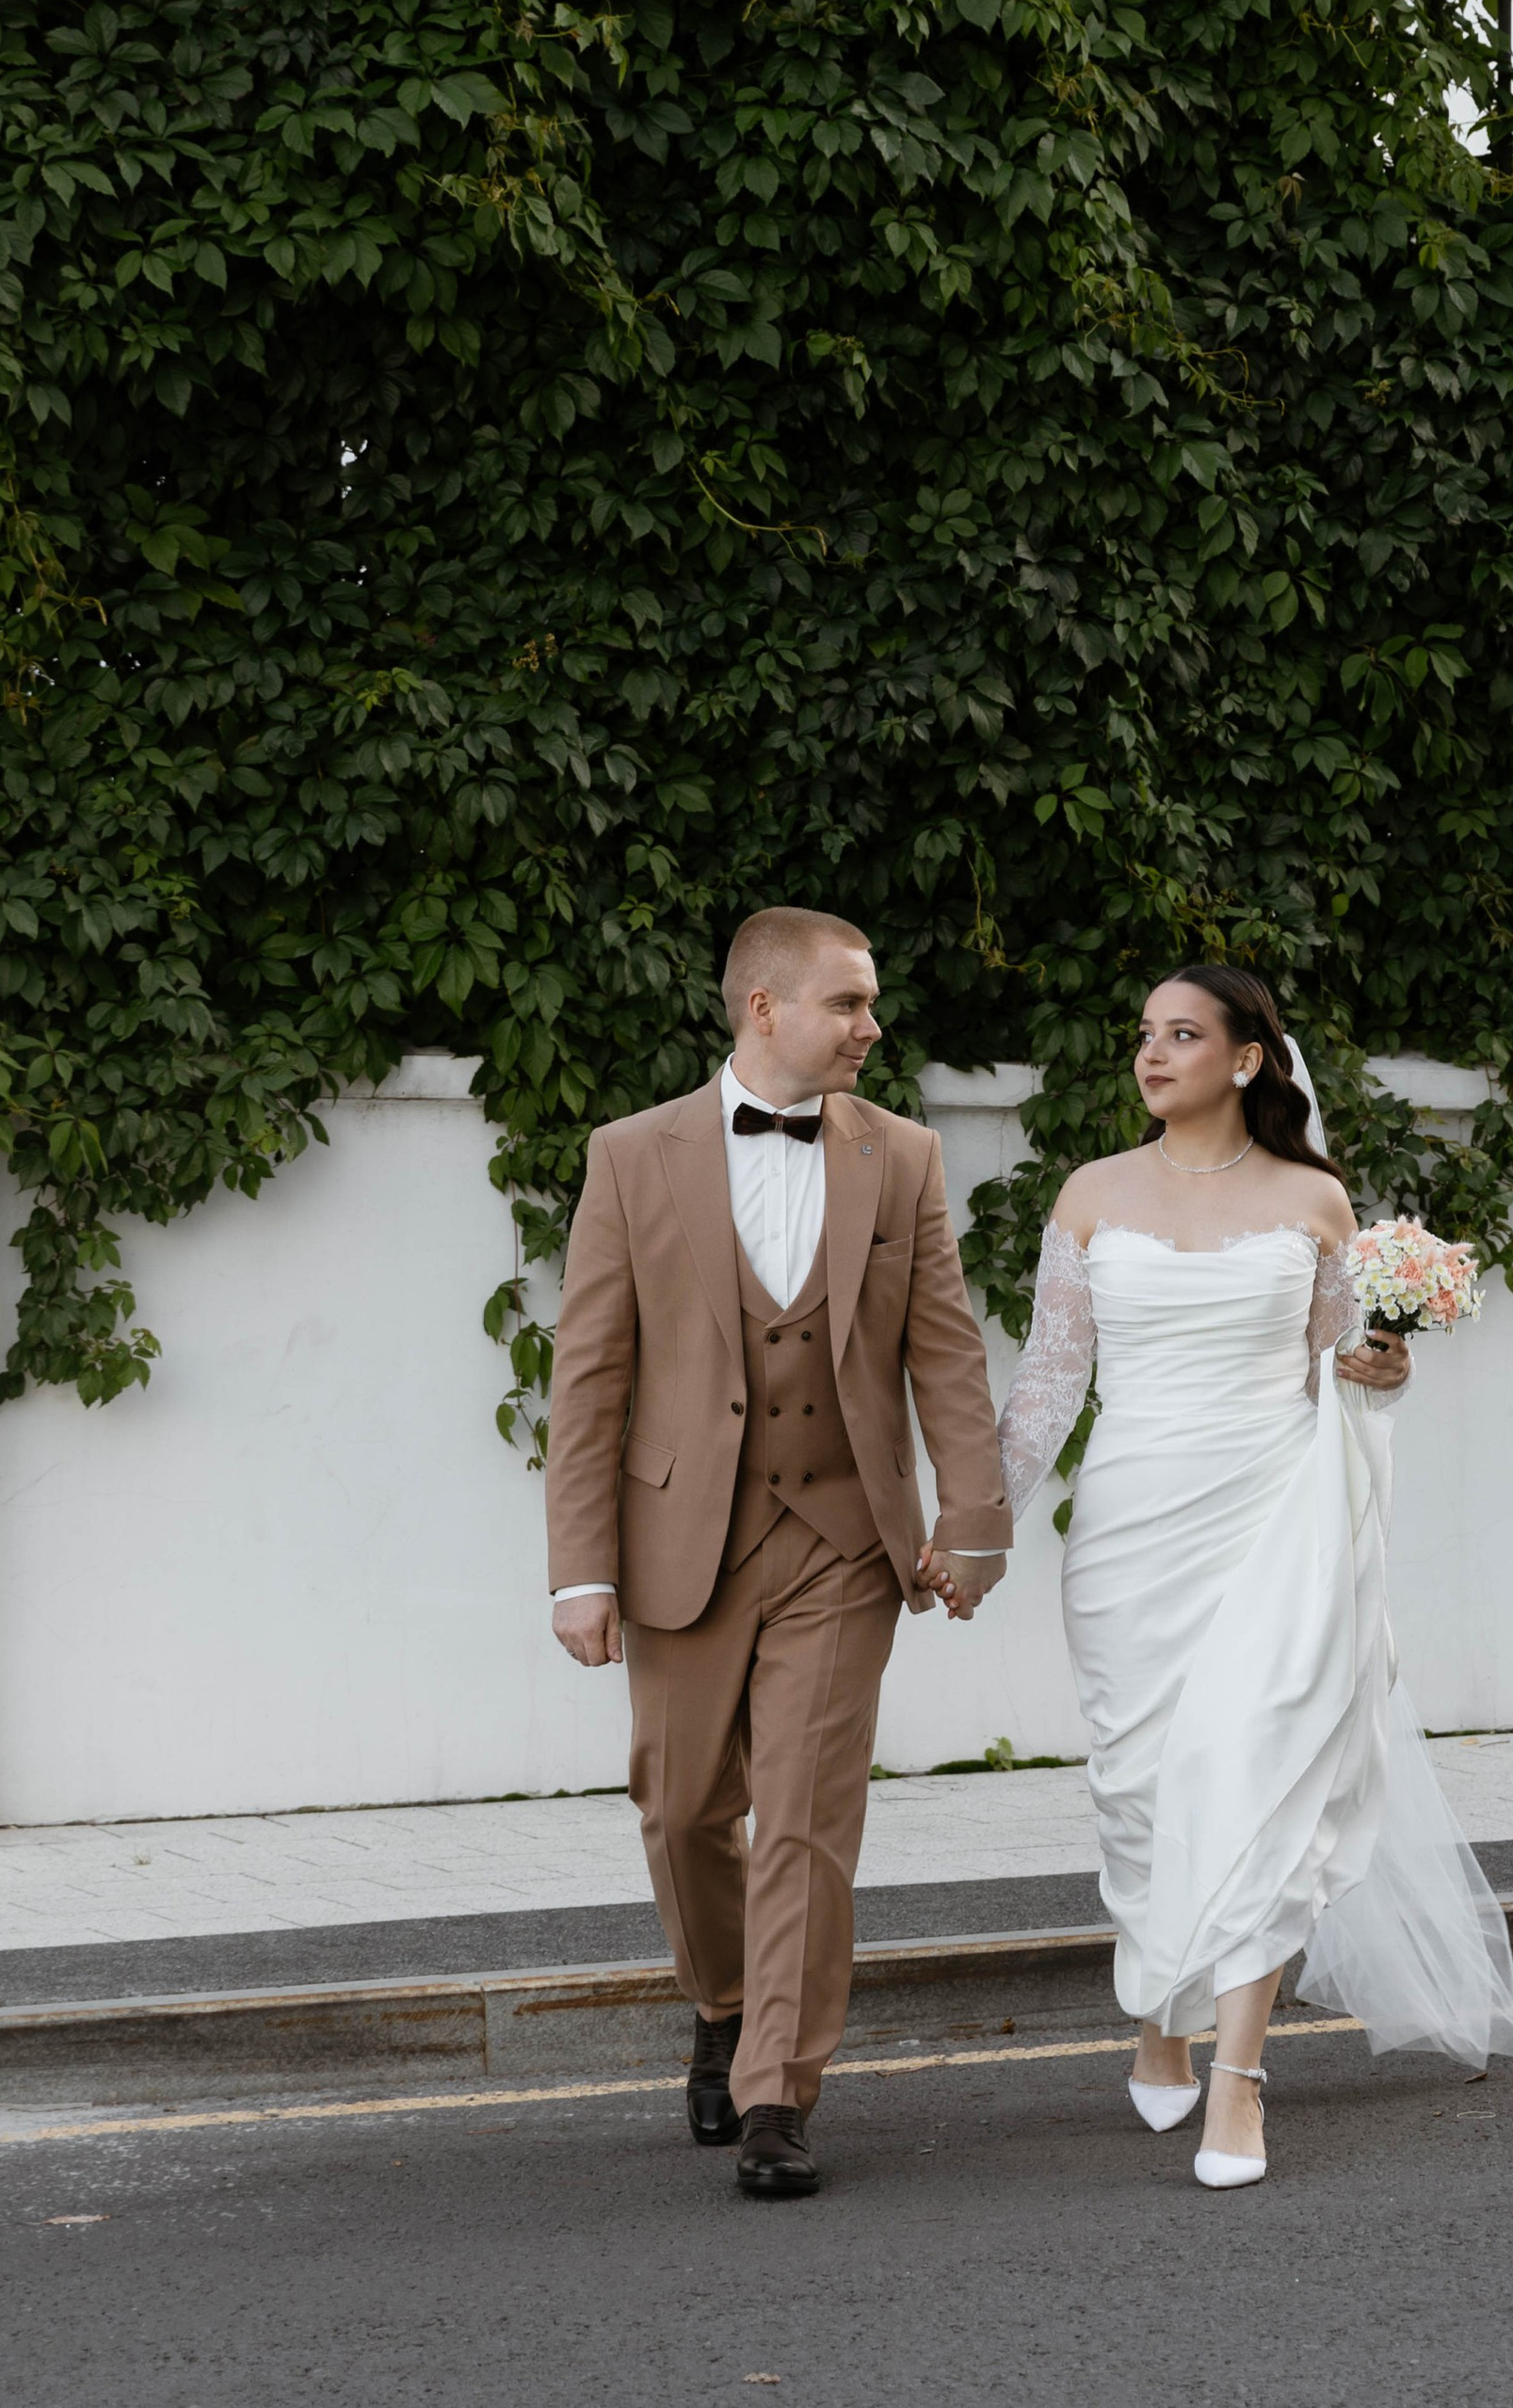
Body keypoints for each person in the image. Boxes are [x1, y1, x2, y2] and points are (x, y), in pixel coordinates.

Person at [934, 963, 1513, 2190]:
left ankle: (1240, 2079)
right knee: (1149, 1799)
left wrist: (1387, 1372)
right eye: (1146, 1031)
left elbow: (1341, 1357)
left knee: (1262, 1775)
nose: (1154, 1052)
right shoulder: (1092, 1194)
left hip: (1275, 1524)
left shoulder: (1315, 1198)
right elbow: (1048, 1379)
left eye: (1185, 1032)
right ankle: (1162, 2014)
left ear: (1248, 1056)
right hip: (1132, 1538)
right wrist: (976, 1525)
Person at [544, 907, 1011, 2203]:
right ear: (764, 1007)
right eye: (850, 1003)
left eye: (871, 1003)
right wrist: (578, 1566)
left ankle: (776, 2090)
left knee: (807, 1817)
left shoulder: (902, 1157)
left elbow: (946, 1354)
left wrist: (972, 1521)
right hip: (685, 1537)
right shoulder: (633, 1155)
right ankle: (727, 1994)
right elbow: (588, 1377)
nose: (873, 1025)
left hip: (846, 1540)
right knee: (683, 1803)